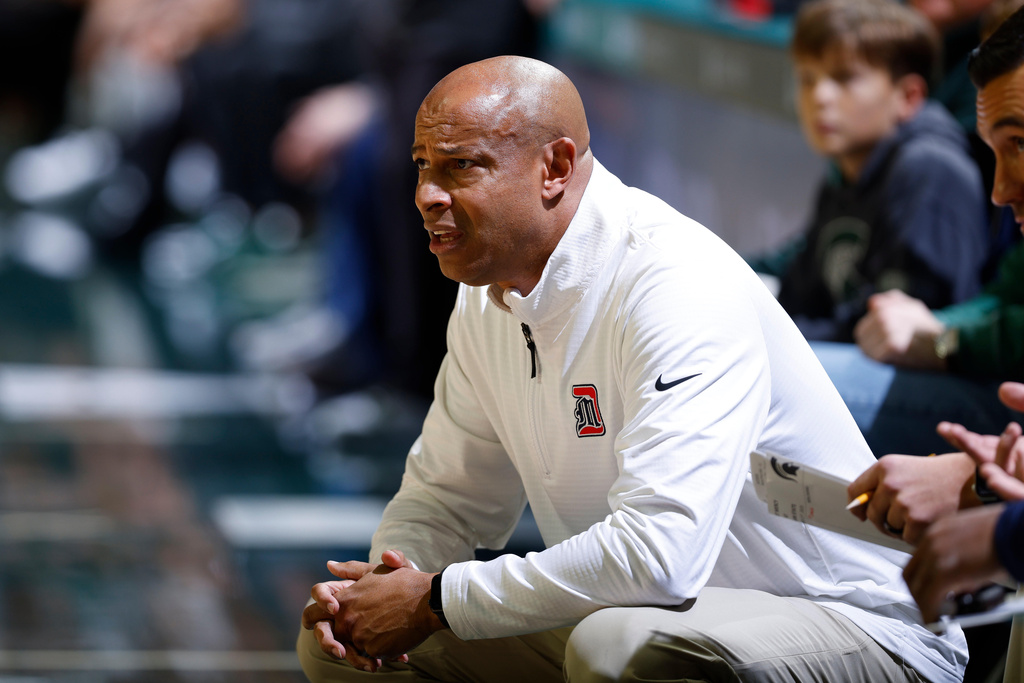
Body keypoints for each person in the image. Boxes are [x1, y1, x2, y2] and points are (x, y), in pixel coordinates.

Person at [295, 55, 966, 682]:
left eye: (461, 165)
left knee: (618, 648)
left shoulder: (673, 280)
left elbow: (659, 554)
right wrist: (390, 580)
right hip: (648, 604)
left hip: (857, 621)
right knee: (343, 641)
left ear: (555, 167)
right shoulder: (484, 294)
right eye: (421, 166)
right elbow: (446, 496)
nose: (427, 195)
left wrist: (437, 596)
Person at [748, 0, 989, 343]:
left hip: (923, 368)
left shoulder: (929, 169)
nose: (820, 96)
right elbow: (801, 297)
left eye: (845, 78)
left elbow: (892, 333)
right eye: (807, 78)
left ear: (908, 96)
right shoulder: (847, 169)